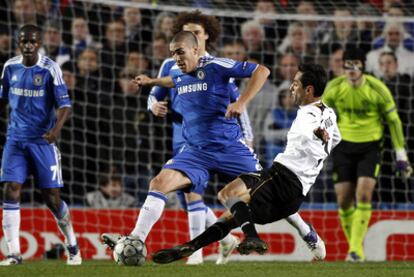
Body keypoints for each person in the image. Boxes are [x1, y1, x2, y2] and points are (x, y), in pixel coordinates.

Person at [103, 31, 326, 264]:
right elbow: (174, 79)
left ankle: (306, 232)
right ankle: (136, 240)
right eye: (173, 53)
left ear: (196, 49)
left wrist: (241, 102)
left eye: (180, 52)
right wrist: (152, 82)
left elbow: (262, 71)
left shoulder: (216, 65)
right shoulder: (175, 71)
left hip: (230, 148)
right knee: (158, 183)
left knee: (267, 194)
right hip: (195, 152)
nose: (176, 57)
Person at [151, 63, 340, 264]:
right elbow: (336, 138)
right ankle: (191, 247)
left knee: (227, 194)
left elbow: (308, 129)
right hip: (295, 198)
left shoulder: (306, 115)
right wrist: (320, 144)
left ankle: (252, 237)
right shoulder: (329, 113)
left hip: (282, 178)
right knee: (232, 215)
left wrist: (316, 133)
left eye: (295, 84)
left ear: (308, 90)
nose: (292, 88)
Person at [0, 24, 81, 265]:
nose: (28, 45)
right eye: (24, 40)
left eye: (32, 41)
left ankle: (73, 245)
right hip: (15, 140)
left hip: (42, 142)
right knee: (10, 189)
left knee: (52, 198)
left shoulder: (50, 69)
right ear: (18, 42)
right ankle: (14, 253)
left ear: (39, 43)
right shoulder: (9, 66)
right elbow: (2, 99)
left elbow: (65, 104)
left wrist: (56, 129)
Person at [322, 47, 412, 262]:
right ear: (343, 66)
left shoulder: (377, 89)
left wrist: (401, 156)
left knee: (363, 194)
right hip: (343, 147)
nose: (352, 68)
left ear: (363, 66)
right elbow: (320, 116)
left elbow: (394, 121)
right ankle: (356, 246)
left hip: (370, 147)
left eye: (356, 64)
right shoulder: (334, 88)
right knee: (344, 200)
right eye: (348, 64)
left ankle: (355, 251)